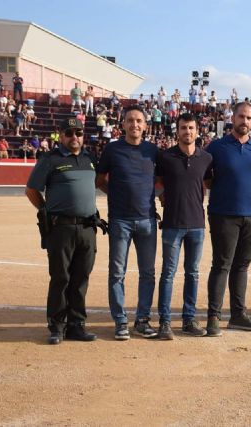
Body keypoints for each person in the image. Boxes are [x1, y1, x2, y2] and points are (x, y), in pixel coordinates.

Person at [203, 102, 251, 336]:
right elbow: (204, 179)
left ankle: (237, 315)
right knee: (222, 265)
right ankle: (213, 316)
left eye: (249, 118)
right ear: (232, 118)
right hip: (223, 215)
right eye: (241, 117)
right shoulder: (216, 148)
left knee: (242, 266)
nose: (245, 121)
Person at [25, 118, 99, 344]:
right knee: (60, 278)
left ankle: (76, 325)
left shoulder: (89, 159)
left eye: (78, 132)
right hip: (61, 229)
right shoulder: (50, 159)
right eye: (69, 133)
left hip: (87, 228)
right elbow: (31, 191)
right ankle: (57, 326)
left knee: (80, 278)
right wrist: (47, 211)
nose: (74, 137)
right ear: (61, 136)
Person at [96, 105, 159, 340]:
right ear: (123, 124)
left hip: (147, 220)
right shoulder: (112, 150)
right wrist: (116, 194)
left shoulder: (153, 150)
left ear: (145, 125)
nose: (134, 124)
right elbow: (100, 180)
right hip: (120, 220)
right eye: (130, 120)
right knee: (117, 273)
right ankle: (121, 321)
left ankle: (142, 320)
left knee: (148, 273)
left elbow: (161, 180)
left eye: (139, 121)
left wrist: (154, 196)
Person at [154, 113, 213, 339]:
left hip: (197, 224)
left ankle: (189, 320)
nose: (187, 132)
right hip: (172, 224)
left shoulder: (206, 158)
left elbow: (208, 182)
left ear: (197, 131)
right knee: (168, 273)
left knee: (193, 273)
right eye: (183, 128)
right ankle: (165, 322)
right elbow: (156, 180)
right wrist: (162, 195)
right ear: (176, 131)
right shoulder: (165, 157)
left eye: (191, 128)